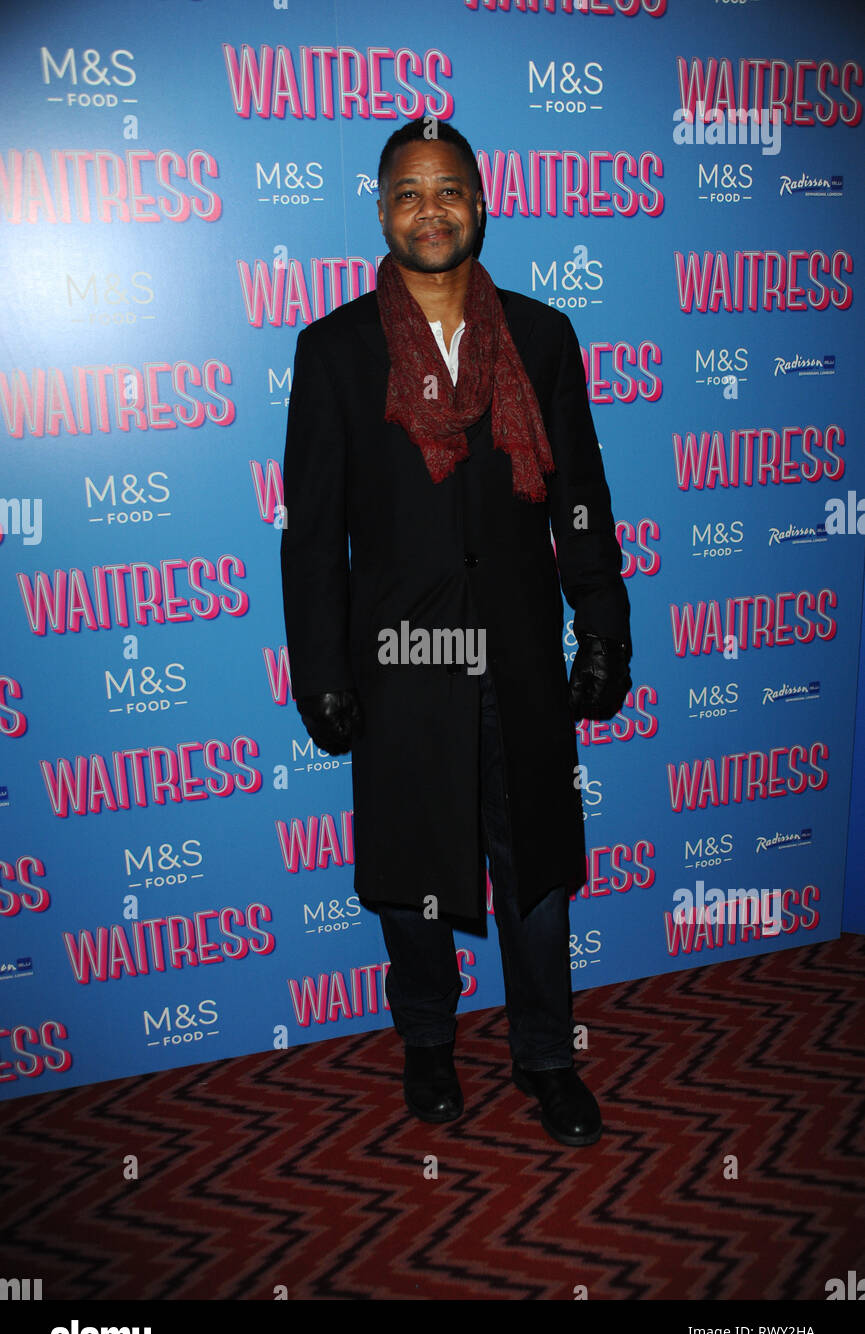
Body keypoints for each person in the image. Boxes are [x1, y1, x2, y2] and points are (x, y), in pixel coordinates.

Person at [281, 117, 632, 1147]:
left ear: (481, 203)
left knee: (535, 872)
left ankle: (544, 1056)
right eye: (406, 193)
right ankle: (427, 1045)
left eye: (448, 191)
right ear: (379, 210)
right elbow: (314, 535)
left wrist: (599, 620)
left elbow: (579, 496)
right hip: (402, 660)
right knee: (415, 872)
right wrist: (322, 670)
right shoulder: (335, 350)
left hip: (518, 652)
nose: (428, 210)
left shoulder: (541, 336)